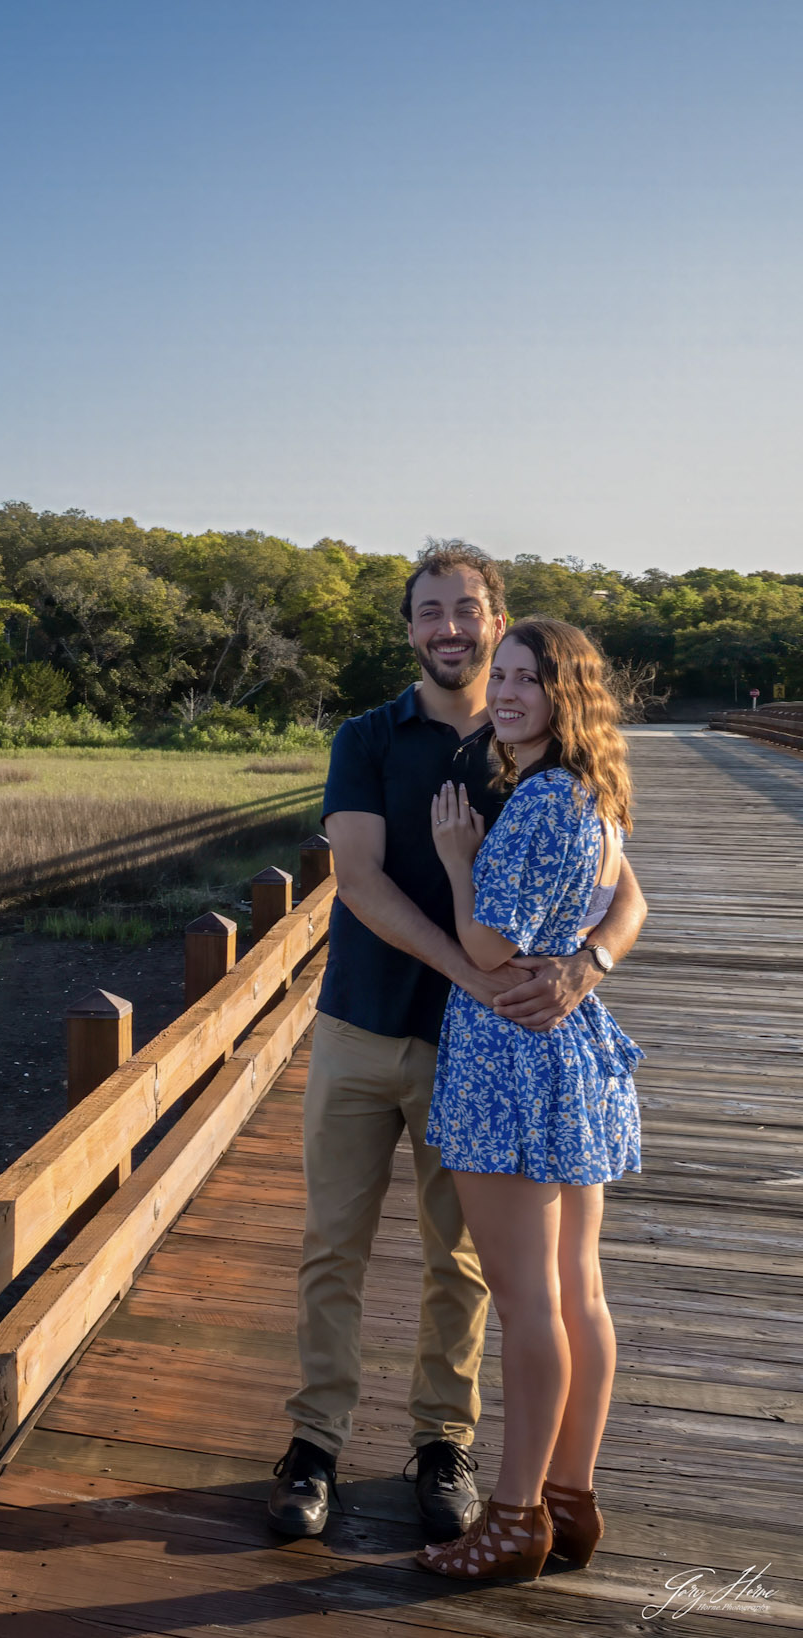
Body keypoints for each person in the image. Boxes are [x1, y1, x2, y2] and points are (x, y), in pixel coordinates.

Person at [265, 544, 647, 1546]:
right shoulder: (367, 737)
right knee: (330, 1247)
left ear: (495, 620)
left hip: (479, 1052)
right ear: (406, 628)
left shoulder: (529, 748)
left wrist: (585, 966)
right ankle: (313, 1446)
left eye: (466, 611)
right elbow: (356, 879)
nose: (449, 629)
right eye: (428, 611)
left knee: (465, 1264)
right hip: (362, 1022)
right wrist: (470, 969)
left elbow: (626, 892)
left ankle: (443, 1443)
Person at [414, 618, 642, 1580]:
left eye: (525, 680)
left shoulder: (543, 801)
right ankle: (570, 1500)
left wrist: (460, 858)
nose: (504, 692)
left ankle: (511, 1519)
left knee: (527, 1304)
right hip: (570, 1055)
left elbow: (486, 951)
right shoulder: (593, 793)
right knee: (579, 1293)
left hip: (509, 1062)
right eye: (498, 675)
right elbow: (627, 902)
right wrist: (586, 963)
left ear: (566, 695)